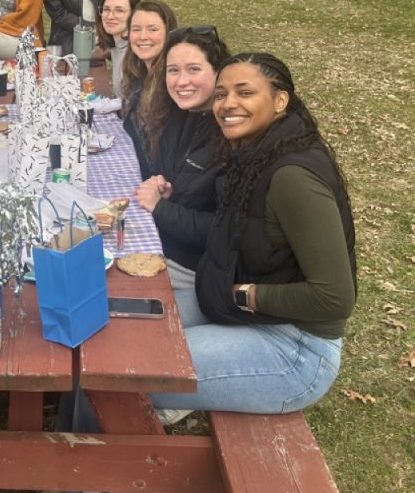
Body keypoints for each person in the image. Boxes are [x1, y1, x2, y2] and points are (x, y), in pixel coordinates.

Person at [150, 52, 357, 423]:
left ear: (280, 101)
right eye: (221, 94)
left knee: (139, 369)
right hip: (245, 314)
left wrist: (243, 295)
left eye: (245, 93)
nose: (228, 104)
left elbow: (335, 298)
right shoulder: (254, 154)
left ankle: (96, 475)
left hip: (295, 349)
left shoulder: (293, 177)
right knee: (133, 328)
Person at [134, 27, 231, 290]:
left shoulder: (232, 132)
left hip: (194, 268)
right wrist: (166, 188)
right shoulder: (176, 114)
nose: (180, 81)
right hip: (165, 245)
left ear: (218, 71)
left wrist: (161, 208)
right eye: (173, 70)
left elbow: (226, 229)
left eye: (193, 69)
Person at [120, 0, 178, 178]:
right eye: (136, 29)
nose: (143, 36)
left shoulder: (171, 83)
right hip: (144, 174)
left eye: (152, 29)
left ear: (169, 34)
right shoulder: (138, 76)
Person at [96, 0, 140, 98]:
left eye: (119, 10)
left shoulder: (137, 54)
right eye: (106, 9)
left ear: (134, 14)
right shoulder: (117, 47)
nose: (110, 16)